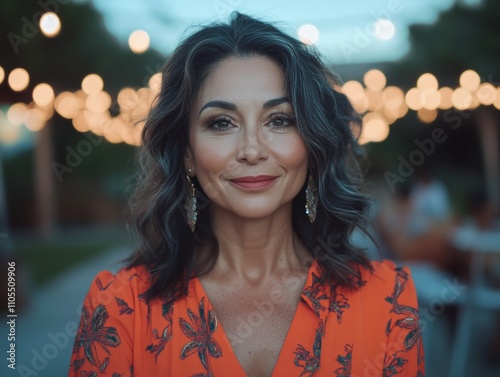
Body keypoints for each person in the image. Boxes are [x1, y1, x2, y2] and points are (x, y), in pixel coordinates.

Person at [68, 12, 424, 377]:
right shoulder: (120, 307)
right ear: (187, 153)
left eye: (280, 120)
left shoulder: (388, 299)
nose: (252, 150)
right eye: (222, 123)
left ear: (312, 145)